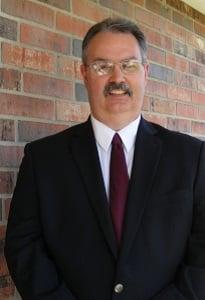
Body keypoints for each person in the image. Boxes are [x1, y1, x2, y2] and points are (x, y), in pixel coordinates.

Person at [4, 17, 205, 300]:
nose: (117, 78)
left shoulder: (192, 157)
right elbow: (23, 246)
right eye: (102, 66)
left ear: (145, 72)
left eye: (129, 65)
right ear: (84, 73)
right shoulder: (43, 159)